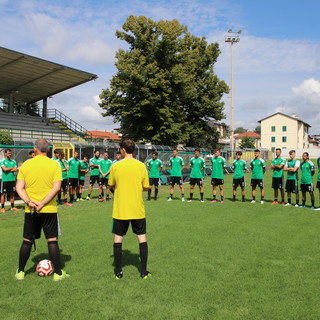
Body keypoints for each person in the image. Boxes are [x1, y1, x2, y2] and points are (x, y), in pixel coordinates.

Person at [14, 139, 69, 281]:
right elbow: (56, 188)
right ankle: (57, 274)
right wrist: (43, 203)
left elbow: (19, 187)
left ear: (35, 148)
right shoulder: (54, 165)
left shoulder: (26, 164)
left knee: (27, 240)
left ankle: (20, 272)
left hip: (31, 209)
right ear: (48, 150)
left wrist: (29, 202)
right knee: (52, 240)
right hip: (49, 209)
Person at [108, 138, 151, 279]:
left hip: (121, 209)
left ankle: (118, 272)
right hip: (137, 208)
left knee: (118, 238)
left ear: (123, 150)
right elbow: (146, 186)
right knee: (141, 237)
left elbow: (111, 185)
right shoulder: (141, 166)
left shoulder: (115, 166)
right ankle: (144, 272)